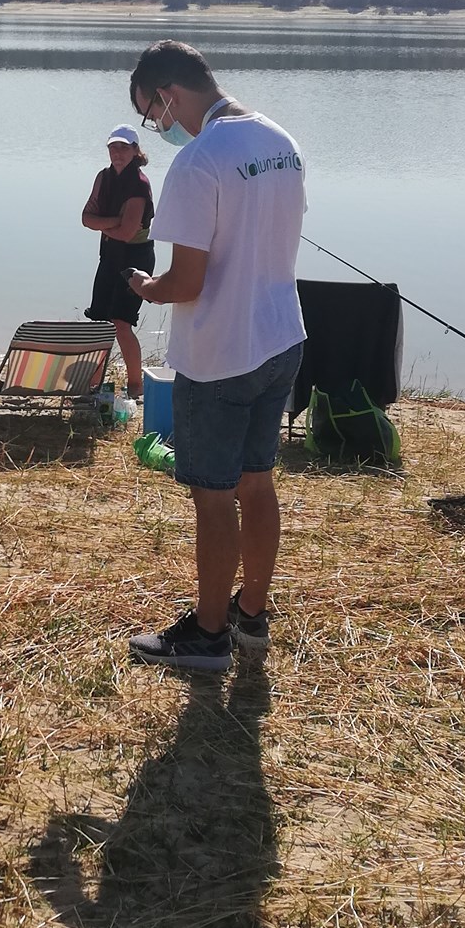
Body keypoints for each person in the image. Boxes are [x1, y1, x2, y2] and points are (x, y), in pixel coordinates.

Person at [123, 39, 306, 673]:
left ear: (168, 95)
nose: (157, 127)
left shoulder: (199, 161)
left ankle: (207, 634)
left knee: (213, 495)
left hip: (221, 352)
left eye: (152, 113)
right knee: (258, 484)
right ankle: (251, 614)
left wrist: (149, 288)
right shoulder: (279, 140)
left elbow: (189, 281)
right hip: (282, 337)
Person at [80, 123, 156, 399]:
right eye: (113, 147)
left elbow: (127, 233)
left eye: (124, 147)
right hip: (109, 254)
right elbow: (85, 218)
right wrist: (113, 222)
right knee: (100, 321)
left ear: (136, 151)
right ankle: (93, 385)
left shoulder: (139, 184)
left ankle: (135, 386)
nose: (117, 153)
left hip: (136, 258)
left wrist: (103, 224)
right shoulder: (103, 177)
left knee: (122, 322)